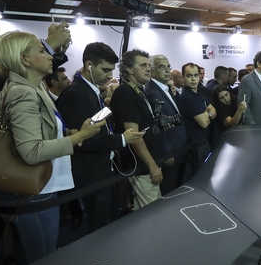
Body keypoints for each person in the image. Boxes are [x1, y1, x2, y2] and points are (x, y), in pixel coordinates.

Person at [0, 31, 104, 265]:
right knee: (41, 261)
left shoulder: (32, 88)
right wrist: (80, 136)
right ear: (24, 59)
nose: (50, 55)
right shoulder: (23, 92)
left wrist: (67, 134)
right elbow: (31, 151)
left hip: (39, 186)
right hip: (34, 191)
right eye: (42, 51)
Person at [57, 43, 143, 233]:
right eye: (105, 70)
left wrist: (108, 109)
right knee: (101, 227)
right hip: (91, 174)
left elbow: (95, 124)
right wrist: (122, 139)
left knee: (110, 221)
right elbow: (82, 140)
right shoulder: (76, 94)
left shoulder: (90, 90)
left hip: (103, 169)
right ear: (89, 65)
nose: (110, 76)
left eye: (111, 70)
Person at [111, 49, 163, 209]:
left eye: (148, 65)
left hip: (146, 164)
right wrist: (152, 166)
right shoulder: (125, 93)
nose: (148, 69)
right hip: (141, 167)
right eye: (143, 65)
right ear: (129, 69)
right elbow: (134, 135)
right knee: (153, 212)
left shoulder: (137, 90)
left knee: (146, 211)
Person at [145, 54, 188, 195]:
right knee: (169, 191)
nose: (167, 70)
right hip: (170, 153)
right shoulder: (152, 93)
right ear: (153, 71)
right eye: (162, 67)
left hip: (178, 148)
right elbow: (158, 126)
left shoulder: (165, 88)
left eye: (168, 67)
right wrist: (166, 153)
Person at [179, 63, 215, 166]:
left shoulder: (198, 94)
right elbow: (204, 123)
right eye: (189, 76)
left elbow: (213, 110)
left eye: (196, 75)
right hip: (196, 144)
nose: (193, 79)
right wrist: (209, 114)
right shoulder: (187, 97)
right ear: (183, 77)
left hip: (203, 141)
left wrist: (206, 114)